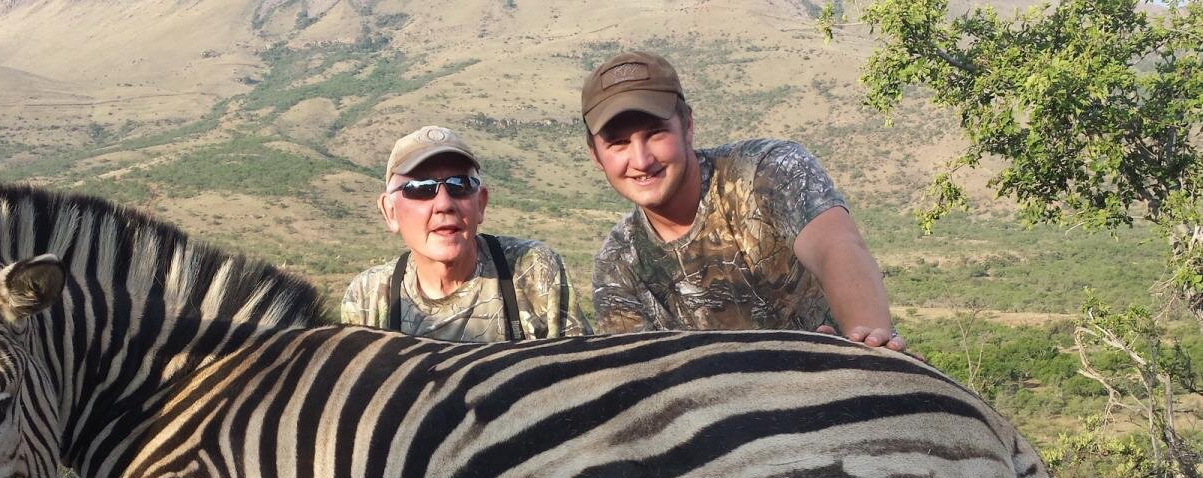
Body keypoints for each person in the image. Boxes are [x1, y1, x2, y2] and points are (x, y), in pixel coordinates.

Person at [581, 51, 906, 352]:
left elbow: (836, 246)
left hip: (832, 379)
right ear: (595, 155)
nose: (641, 159)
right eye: (619, 143)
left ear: (688, 125)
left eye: (656, 133)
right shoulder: (617, 265)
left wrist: (868, 340)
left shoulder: (768, 170)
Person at [341, 125, 590, 341]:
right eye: (421, 188)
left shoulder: (533, 271)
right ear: (390, 212)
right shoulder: (368, 296)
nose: (444, 204)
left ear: (480, 204)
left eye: (459, 185)